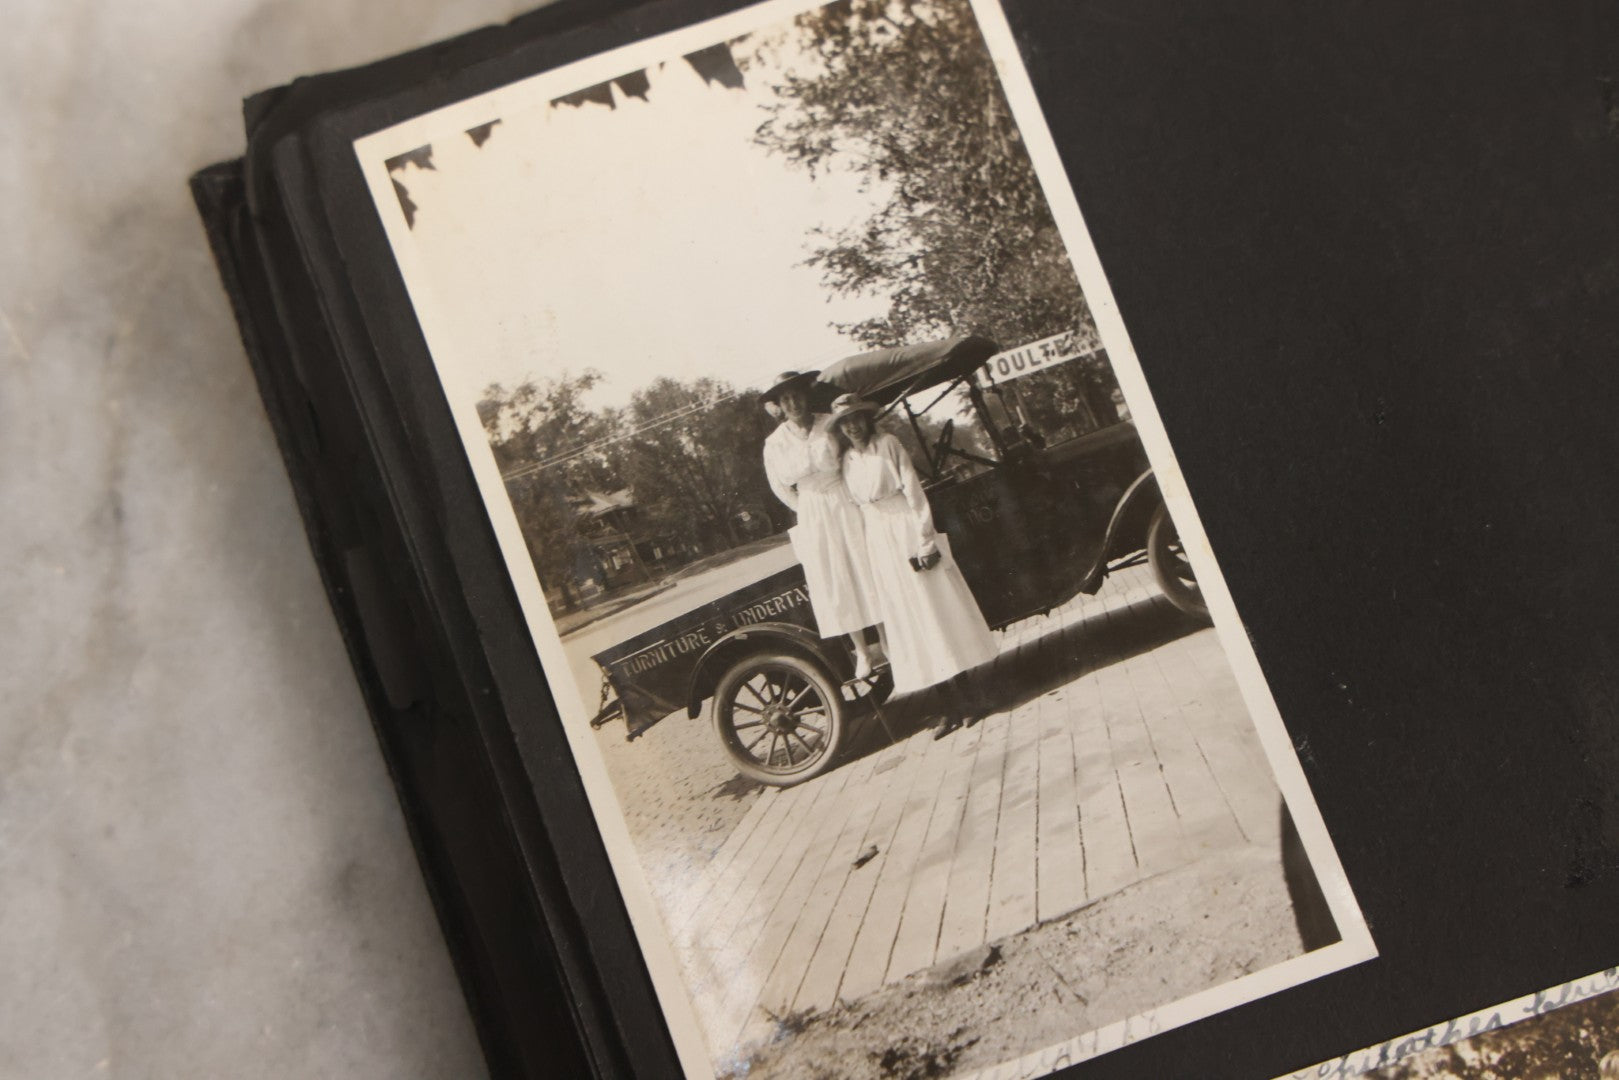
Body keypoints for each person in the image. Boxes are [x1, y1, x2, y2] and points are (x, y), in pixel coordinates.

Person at [830, 393, 998, 728]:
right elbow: (856, 509)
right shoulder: (847, 462)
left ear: (866, 419)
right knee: (911, 618)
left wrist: (925, 539)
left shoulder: (888, 444)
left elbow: (913, 491)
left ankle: (971, 700)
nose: (853, 427)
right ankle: (948, 708)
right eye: (846, 423)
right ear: (841, 428)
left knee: (936, 610)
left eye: (857, 419)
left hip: (905, 526)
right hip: (879, 539)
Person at [760, 371, 883, 677]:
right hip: (813, 508)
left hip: (844, 497)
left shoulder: (829, 423)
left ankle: (886, 638)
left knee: (865, 566)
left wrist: (854, 492)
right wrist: (805, 507)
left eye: (797, 394)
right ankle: (862, 652)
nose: (793, 403)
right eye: (786, 398)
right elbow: (779, 486)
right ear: (779, 405)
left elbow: (854, 457)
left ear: (806, 395)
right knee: (836, 578)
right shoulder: (774, 443)